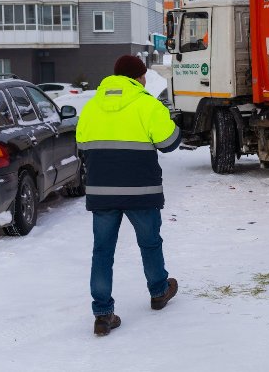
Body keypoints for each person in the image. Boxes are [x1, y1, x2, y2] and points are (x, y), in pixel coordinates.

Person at [77, 55, 182, 336]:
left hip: (102, 192)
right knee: (149, 243)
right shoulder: (148, 104)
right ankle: (159, 291)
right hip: (141, 192)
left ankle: (102, 314)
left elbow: (82, 144)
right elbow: (169, 143)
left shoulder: (91, 106)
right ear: (139, 77)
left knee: (102, 252)